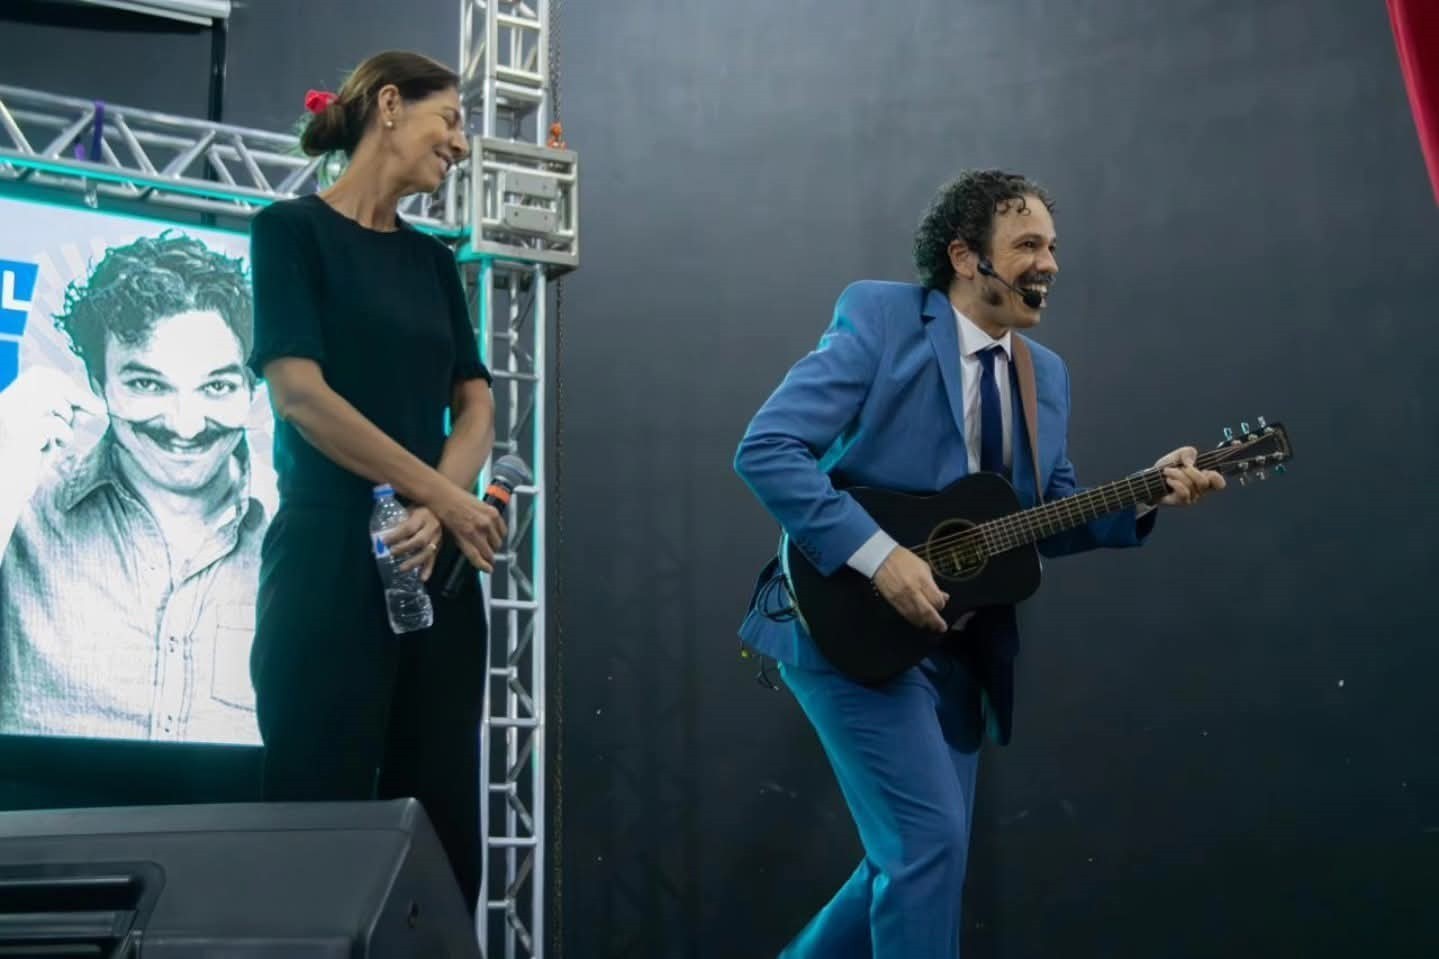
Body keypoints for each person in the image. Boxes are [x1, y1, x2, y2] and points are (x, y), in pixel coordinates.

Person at [734, 170, 1226, 958]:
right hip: (844, 626)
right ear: (965, 257)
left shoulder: (1045, 376)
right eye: (1028, 244)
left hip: (956, 648)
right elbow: (767, 449)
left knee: (916, 856)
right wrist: (881, 557)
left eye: (1052, 246)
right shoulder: (881, 319)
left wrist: (1146, 494)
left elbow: (1046, 518)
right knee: (925, 846)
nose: (1049, 263)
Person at [246, 50, 505, 909]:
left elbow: (476, 406)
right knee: (315, 816)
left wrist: (437, 508)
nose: (460, 144)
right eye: (452, 120)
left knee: (439, 827)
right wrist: (443, 497)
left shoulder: (433, 262)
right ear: (389, 105)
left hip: (432, 562)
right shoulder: (289, 232)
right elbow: (300, 396)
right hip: (326, 559)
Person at [0, 234, 267, 744]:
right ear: (97, 384)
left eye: (216, 387)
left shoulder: (301, 538)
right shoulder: (22, 504)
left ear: (251, 387)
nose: (186, 425)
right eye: (148, 384)